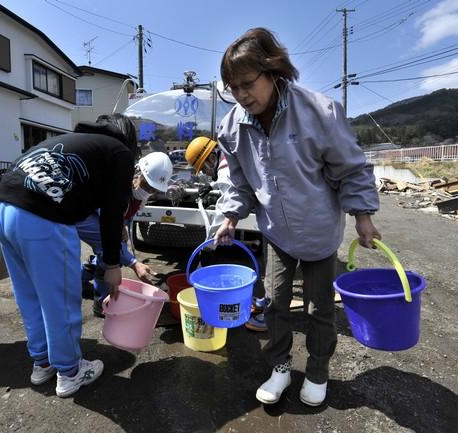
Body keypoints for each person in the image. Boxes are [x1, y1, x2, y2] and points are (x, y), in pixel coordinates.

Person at [214, 28, 381, 407]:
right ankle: (280, 368)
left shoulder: (318, 112)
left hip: (320, 232)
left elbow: (351, 169)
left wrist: (363, 215)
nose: (240, 95)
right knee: (273, 303)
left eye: (247, 84)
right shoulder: (233, 126)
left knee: (320, 308)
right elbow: (238, 181)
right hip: (276, 231)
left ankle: (318, 371)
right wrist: (230, 215)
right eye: (232, 87)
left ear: (273, 71)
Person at [0, 113, 137, 397]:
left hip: (3, 208)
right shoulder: (119, 153)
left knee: (30, 295)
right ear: (129, 139)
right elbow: (112, 215)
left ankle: (43, 361)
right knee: (60, 299)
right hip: (42, 216)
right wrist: (112, 263)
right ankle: (71, 371)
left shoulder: (75, 141)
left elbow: (88, 211)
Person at [185, 136, 267, 332]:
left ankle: (268, 315)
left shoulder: (223, 168)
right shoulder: (228, 154)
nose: (205, 172)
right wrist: (212, 186)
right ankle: (264, 304)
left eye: (204, 168)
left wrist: (208, 246)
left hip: (278, 213)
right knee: (271, 262)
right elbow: (231, 182)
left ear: (211, 158)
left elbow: (224, 211)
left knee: (275, 266)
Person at [77, 151, 173, 317]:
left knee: (113, 252)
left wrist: (123, 225)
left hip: (106, 217)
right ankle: (101, 302)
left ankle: (78, 279)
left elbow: (126, 215)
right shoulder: (118, 185)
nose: (148, 190)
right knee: (109, 251)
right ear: (138, 172)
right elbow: (109, 228)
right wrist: (134, 263)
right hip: (82, 214)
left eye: (153, 189)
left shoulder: (139, 196)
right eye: (146, 185)